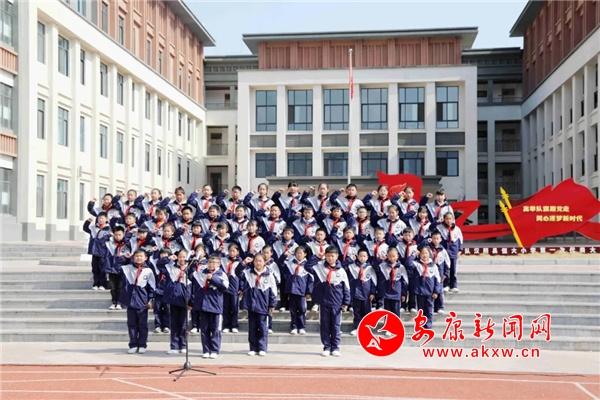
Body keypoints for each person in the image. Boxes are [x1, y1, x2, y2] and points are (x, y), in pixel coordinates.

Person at [305, 246, 350, 357]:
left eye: (332, 256)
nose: (330, 258)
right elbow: (307, 266)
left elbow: (346, 287)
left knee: (335, 326)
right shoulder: (319, 267)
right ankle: (326, 346)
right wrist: (316, 257)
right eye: (328, 256)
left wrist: (346, 302)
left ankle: (335, 347)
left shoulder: (341, 271)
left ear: (337, 256)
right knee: (324, 325)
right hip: (324, 301)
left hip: (336, 302)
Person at [236, 253, 277, 357]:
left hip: (263, 305)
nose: (258, 263)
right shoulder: (249, 273)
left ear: (264, 262)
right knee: (252, 327)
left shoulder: (269, 275)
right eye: (256, 261)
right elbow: (238, 272)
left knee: (263, 327)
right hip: (251, 304)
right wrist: (243, 263)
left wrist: (272, 304)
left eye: (260, 261)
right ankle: (253, 348)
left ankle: (262, 348)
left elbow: (273, 290)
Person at [189, 254, 229, 359]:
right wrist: (192, 264)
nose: (211, 264)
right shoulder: (202, 273)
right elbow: (191, 276)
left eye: (214, 263)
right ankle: (206, 350)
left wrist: (213, 278)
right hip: (204, 305)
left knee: (215, 329)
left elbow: (225, 287)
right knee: (204, 329)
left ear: (219, 264)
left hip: (216, 306)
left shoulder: (221, 274)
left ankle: (214, 350)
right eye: (210, 262)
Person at [119, 249, 155, 354]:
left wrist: (150, 300)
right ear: (133, 257)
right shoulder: (127, 268)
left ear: (145, 258)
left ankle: (142, 345)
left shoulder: (148, 271)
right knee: (132, 324)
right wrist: (124, 258)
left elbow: (152, 288)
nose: (139, 258)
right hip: (130, 300)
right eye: (137, 256)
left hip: (143, 301)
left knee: (143, 325)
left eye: (141, 256)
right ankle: (133, 344)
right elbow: (115, 268)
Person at [157, 249, 191, 354]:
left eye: (184, 257)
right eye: (180, 257)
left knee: (184, 324)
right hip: (174, 299)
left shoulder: (191, 269)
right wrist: (168, 258)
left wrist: (191, 302)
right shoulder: (171, 267)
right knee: (174, 323)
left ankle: (183, 345)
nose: (182, 259)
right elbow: (159, 265)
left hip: (185, 300)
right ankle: (174, 346)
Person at [277, 246, 315, 335]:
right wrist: (284, 256)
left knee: (302, 309)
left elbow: (311, 280)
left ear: (305, 254)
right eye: (297, 253)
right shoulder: (290, 263)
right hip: (292, 290)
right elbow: (279, 264)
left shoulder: (308, 265)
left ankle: (301, 326)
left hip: (302, 291)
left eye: (300, 253)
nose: (298, 255)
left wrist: (309, 291)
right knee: (293, 310)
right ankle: (294, 326)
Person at [405, 244, 442, 329]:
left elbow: (438, 280)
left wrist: (436, 291)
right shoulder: (417, 264)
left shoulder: (433, 266)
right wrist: (414, 254)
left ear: (429, 254)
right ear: (419, 254)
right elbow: (408, 264)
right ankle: (421, 327)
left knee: (429, 310)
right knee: (421, 310)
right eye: (422, 253)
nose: (424, 255)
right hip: (420, 292)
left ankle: (428, 327)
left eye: (426, 253)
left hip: (430, 292)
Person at [346, 249, 377, 335]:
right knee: (357, 311)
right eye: (360, 256)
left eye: (364, 256)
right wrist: (349, 260)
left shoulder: (370, 268)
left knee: (367, 312)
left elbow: (374, 281)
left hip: (367, 294)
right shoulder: (352, 267)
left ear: (367, 257)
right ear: (357, 257)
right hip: (356, 293)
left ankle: (366, 328)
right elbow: (343, 267)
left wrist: (372, 293)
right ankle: (357, 327)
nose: (362, 258)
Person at [104, 226, 131, 310]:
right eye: (116, 235)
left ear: (123, 235)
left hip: (123, 269)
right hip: (112, 269)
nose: (118, 237)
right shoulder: (110, 244)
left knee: (120, 287)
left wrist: (126, 238)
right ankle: (114, 302)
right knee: (113, 287)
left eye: (120, 235)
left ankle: (119, 302)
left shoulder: (126, 245)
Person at [377, 247, 408, 318]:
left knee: (396, 312)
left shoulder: (401, 267)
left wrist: (404, 294)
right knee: (387, 313)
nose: (392, 258)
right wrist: (379, 260)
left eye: (393, 256)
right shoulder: (383, 266)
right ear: (387, 256)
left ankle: (396, 325)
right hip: (386, 293)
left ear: (397, 256)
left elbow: (405, 282)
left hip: (397, 293)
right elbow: (375, 268)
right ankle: (388, 325)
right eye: (390, 256)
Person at [435, 212, 463, 293]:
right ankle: (445, 285)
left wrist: (460, 250)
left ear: (453, 219)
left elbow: (460, 240)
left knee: (453, 269)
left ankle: (453, 285)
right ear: (444, 219)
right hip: (444, 251)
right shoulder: (440, 228)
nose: (448, 220)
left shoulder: (457, 229)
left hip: (453, 251)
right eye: (446, 219)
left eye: (450, 219)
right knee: (445, 269)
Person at [83, 213, 111, 290]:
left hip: (103, 252)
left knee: (102, 268)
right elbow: (85, 228)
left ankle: (102, 284)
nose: (100, 220)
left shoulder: (109, 229)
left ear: (106, 219)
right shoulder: (93, 228)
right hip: (94, 251)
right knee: (95, 268)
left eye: (102, 218)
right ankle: (95, 284)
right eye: (99, 218)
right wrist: (88, 222)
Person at [221, 244, 243, 333]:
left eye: (233, 251)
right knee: (225, 307)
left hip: (235, 285)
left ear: (237, 252)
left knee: (234, 307)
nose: (231, 253)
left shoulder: (240, 262)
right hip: (226, 284)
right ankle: (226, 325)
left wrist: (241, 288)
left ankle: (234, 325)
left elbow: (242, 276)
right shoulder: (224, 260)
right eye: (230, 251)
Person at [428, 231, 450, 314]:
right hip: (430, 270)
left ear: (440, 239)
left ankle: (440, 307)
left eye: (437, 238)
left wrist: (445, 273)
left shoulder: (443, 250)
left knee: (439, 289)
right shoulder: (428, 248)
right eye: (434, 238)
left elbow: (447, 262)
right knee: (431, 289)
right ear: (431, 239)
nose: (436, 240)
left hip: (440, 271)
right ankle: (431, 307)